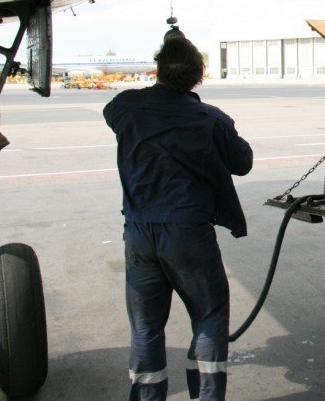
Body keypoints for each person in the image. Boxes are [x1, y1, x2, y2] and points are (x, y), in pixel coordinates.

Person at [103, 32, 253, 401]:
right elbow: (243, 163)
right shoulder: (210, 118)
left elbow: (112, 113)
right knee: (209, 315)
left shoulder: (126, 107)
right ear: (199, 76)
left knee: (145, 327)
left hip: (139, 233)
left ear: (158, 69)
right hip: (188, 233)